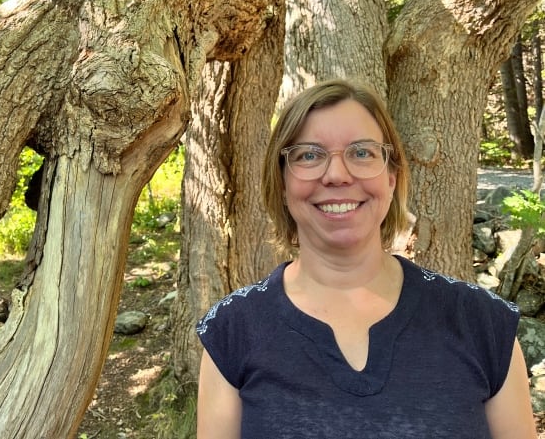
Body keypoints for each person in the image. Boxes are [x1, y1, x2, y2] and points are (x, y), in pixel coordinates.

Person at [196, 78, 536, 439]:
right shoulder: (231, 331)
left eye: (361, 152)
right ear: (281, 184)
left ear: (392, 176)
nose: (338, 175)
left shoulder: (483, 324)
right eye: (308, 155)